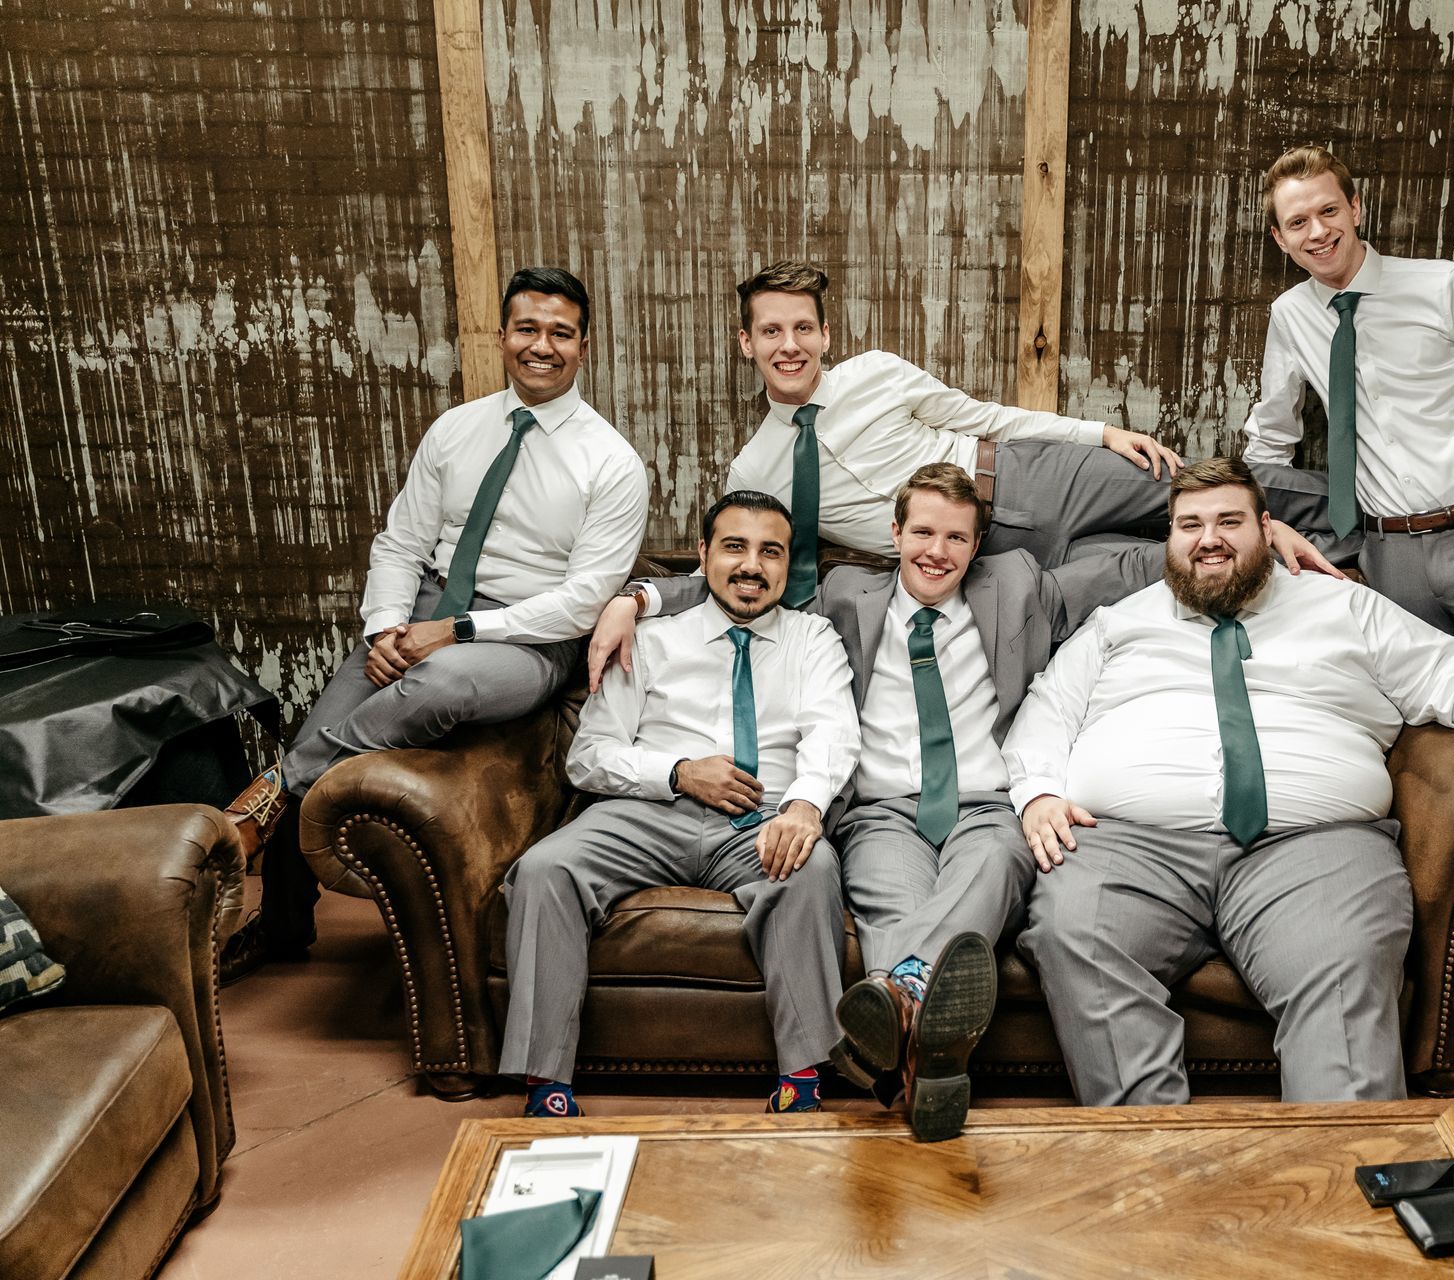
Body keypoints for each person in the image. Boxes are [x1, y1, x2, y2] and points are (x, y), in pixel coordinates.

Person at [595, 463, 1168, 1140]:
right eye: (922, 531)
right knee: (888, 901)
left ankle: (902, 1010)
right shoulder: (845, 594)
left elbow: (1130, 566)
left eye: (956, 537)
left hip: (986, 805)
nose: (937, 551)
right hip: (884, 812)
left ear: (976, 545)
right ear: (894, 533)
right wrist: (637, 598)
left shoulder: (1016, 583)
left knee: (990, 868)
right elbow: (741, 582)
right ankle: (928, 1061)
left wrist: (1265, 535)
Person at [1005, 458, 1454, 1106]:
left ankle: (1341, 1173)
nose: (1209, 539)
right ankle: (1154, 1162)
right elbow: (1046, 709)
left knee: (1344, 958)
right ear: (1169, 539)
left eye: (1230, 521)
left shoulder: (1345, 607)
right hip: (1129, 846)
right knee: (1074, 933)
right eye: (1189, 525)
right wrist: (1037, 792)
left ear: (1266, 528)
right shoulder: (1117, 624)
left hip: (1315, 846)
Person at [219, 267, 648, 977]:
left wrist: (452, 633)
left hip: (527, 639)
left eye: (561, 334)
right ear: (503, 335)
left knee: (441, 684)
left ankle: (275, 793)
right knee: (339, 707)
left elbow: (581, 600)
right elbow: (400, 543)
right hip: (424, 608)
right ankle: (284, 924)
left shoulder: (612, 462)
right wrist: (387, 627)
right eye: (528, 329)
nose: (542, 346)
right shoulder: (455, 429)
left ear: (585, 345)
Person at [1243, 145, 1454, 1017]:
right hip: (1383, 558)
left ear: (1356, 205)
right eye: (1296, 222)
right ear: (1279, 239)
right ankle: (1436, 933)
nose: (1317, 231)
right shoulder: (1293, 317)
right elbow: (1269, 441)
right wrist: (1277, 523)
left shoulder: (1446, 286)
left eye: (1326, 211)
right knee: (1409, 740)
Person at [498, 491, 859, 1117]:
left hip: (760, 819)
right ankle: (545, 1086)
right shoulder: (654, 639)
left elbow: (833, 733)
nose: (752, 566)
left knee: (812, 869)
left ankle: (801, 1081)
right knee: (544, 869)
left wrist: (803, 806)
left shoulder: (813, 639)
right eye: (734, 547)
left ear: (789, 563)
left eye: (770, 552)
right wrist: (679, 772)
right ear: (703, 555)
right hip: (643, 813)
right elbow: (589, 756)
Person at [721, 260, 1341, 600]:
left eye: (803, 328)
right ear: (748, 343)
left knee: (1210, 490)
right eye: (772, 332)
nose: (790, 345)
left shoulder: (876, 373)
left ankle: (1363, 509)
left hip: (1032, 475)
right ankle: (1351, 566)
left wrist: (1099, 434)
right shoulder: (756, 472)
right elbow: (729, 562)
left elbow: (988, 417)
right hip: (989, 558)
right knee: (1185, 562)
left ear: (824, 335)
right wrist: (639, 600)